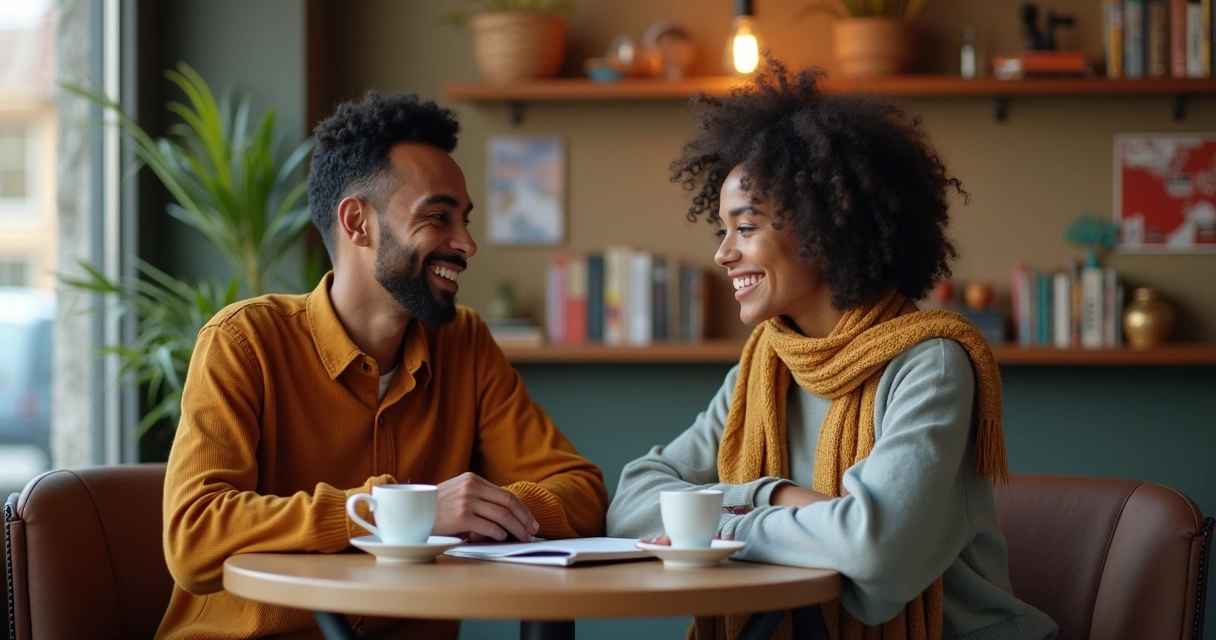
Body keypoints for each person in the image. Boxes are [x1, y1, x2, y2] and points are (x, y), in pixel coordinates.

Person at [606, 60, 1058, 640]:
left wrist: (722, 525)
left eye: (745, 228)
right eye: (720, 229)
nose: (722, 254)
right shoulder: (765, 365)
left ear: (825, 231)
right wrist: (774, 497)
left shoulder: (931, 362)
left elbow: (875, 550)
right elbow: (633, 502)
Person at [157, 91, 609, 640]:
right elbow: (195, 537)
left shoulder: (464, 342)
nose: (465, 243)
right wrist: (399, 513)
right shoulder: (243, 341)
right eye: (437, 217)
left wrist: (490, 510)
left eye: (464, 220)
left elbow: (580, 491)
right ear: (357, 222)